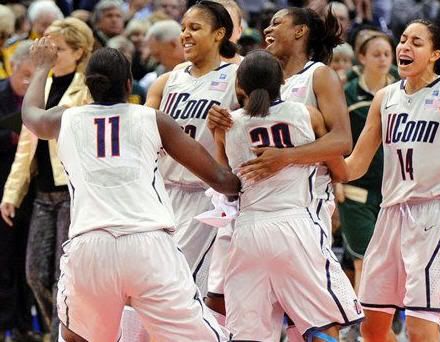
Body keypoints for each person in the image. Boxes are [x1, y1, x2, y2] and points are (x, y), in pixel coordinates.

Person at [23, 40, 240, 342]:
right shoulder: (153, 119)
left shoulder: (65, 118)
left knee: (78, 338)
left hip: (90, 245)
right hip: (148, 245)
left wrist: (43, 66)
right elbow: (220, 179)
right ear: (129, 84)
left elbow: (31, 115)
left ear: (88, 86)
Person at [343, 19, 440, 342]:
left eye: (416, 42)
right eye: (403, 40)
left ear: (434, 54)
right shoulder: (384, 98)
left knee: (419, 328)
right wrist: (304, 157)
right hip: (391, 215)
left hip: (436, 215)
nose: (405, 47)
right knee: (372, 329)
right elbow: (355, 165)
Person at [207, 7, 353, 340]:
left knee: (306, 314)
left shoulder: (319, 75)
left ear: (301, 31)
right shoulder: (262, 77)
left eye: (277, 23)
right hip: (256, 208)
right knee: (257, 309)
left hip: (306, 202)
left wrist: (286, 157)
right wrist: (220, 122)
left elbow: (341, 140)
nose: (268, 29)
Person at [0, 17, 93, 339]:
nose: (46, 53)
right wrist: (12, 193)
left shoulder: (89, 87)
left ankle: (59, 336)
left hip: (73, 191)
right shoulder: (43, 84)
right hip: (41, 194)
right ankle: (65, 329)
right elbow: (26, 145)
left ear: (78, 52)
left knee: (62, 275)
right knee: (35, 274)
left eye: (55, 48)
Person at [145, 1, 239, 297]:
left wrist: (231, 123)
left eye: (194, 28)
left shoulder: (237, 78)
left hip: (207, 198)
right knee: (150, 289)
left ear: (219, 34)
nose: (184, 34)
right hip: (162, 195)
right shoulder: (166, 81)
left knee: (178, 291)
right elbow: (140, 135)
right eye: (183, 28)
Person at [337, 32, 396, 341]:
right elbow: (338, 139)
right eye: (376, 53)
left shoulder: (402, 90)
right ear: (362, 58)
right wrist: (337, 180)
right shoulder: (346, 92)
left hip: (395, 190)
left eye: (387, 53)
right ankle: (363, 322)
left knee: (391, 261)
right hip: (357, 189)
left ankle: (383, 320)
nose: (384, 58)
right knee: (364, 258)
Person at [0, 40, 37, 341]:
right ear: (12, 67)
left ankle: (26, 323)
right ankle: (4, 323)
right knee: (4, 258)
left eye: (34, 77)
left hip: (34, 191)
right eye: (25, 74)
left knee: (29, 262)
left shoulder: (42, 97)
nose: (28, 82)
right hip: (2, 190)